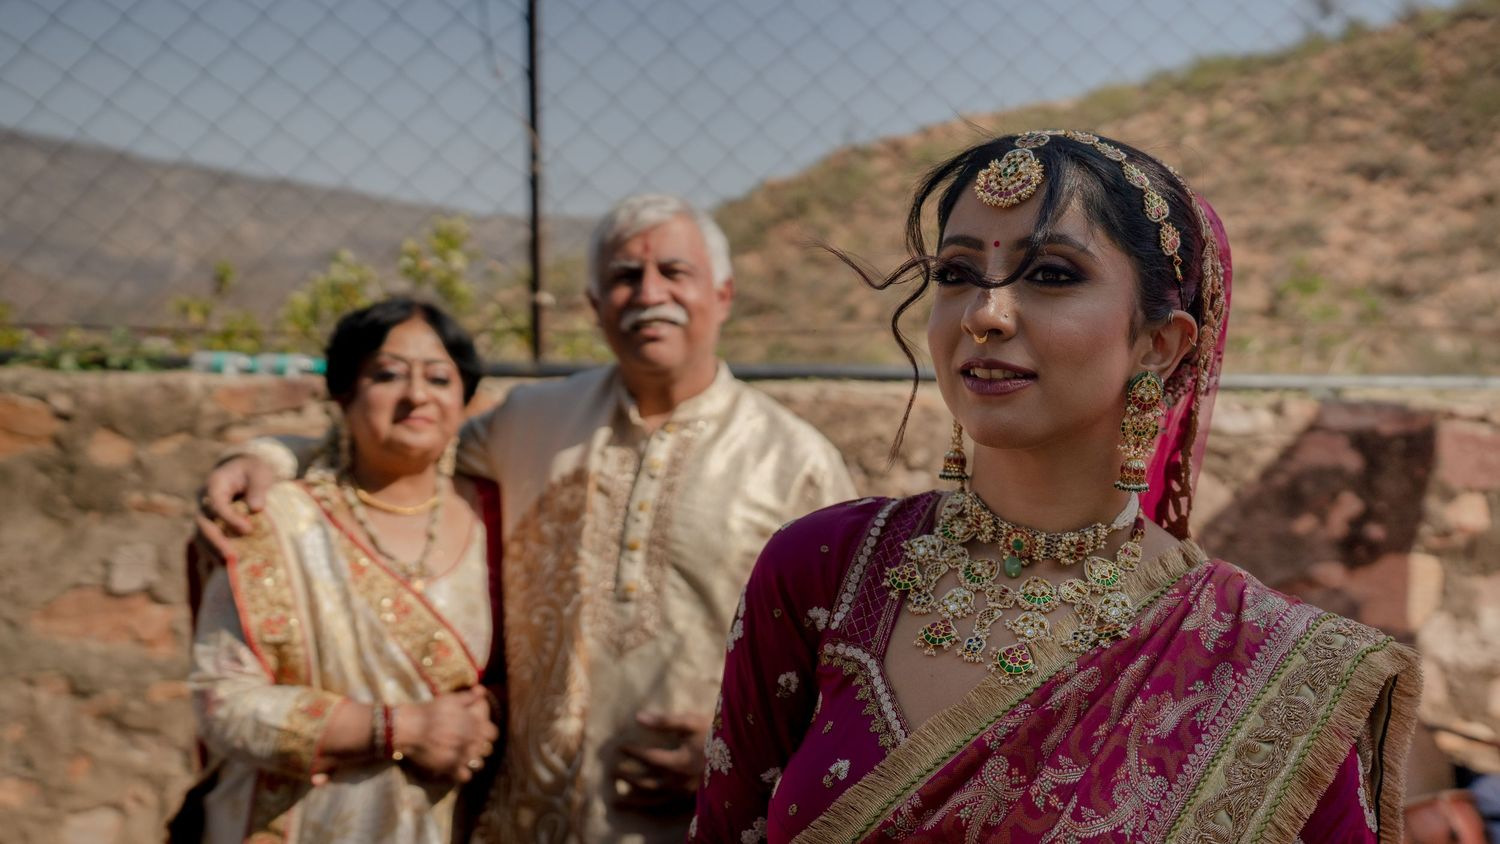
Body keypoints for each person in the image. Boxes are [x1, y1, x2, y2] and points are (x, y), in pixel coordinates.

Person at [689, 131, 1421, 843]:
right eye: (956, 274)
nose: (985, 314)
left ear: (1158, 345)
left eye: (1051, 276)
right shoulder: (826, 569)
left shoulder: (1267, 668)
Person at [195, 194, 856, 842]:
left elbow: (848, 664)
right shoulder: (532, 421)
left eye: (675, 272)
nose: (650, 291)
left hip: (694, 819)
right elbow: (408, 444)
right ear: (596, 306)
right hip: (527, 820)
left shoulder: (796, 464)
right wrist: (270, 454)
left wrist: (744, 764)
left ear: (724, 295)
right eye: (625, 276)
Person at [183, 298, 504, 843]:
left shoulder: (494, 514)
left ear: (463, 397)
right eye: (387, 374)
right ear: (343, 393)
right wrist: (400, 729)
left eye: (439, 377)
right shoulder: (270, 518)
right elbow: (223, 702)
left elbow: (531, 667)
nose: (417, 395)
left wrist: (485, 711)